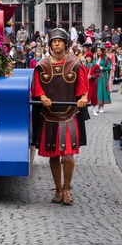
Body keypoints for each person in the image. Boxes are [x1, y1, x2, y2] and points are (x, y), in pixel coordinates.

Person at [31, 28, 88, 206]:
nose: (57, 44)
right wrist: (42, 97)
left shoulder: (76, 64)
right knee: (54, 156)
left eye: (60, 41)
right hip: (49, 116)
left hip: (69, 115)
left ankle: (67, 189)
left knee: (68, 156)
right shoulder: (42, 65)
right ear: (50, 45)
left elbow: (82, 87)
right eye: (54, 41)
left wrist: (83, 98)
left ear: (66, 44)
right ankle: (57, 190)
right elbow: (37, 87)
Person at [95, 45, 111, 113]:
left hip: (102, 76)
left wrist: (102, 68)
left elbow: (109, 68)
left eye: (99, 50)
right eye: (97, 51)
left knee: (102, 91)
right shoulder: (95, 59)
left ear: (102, 51)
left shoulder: (106, 59)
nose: (98, 52)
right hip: (96, 76)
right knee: (96, 91)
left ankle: (102, 106)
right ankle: (98, 106)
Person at [84, 51, 101, 117]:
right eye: (87, 57)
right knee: (86, 97)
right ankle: (86, 112)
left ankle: (94, 111)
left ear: (91, 58)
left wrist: (92, 76)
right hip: (86, 84)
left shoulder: (95, 66)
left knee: (94, 97)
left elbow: (98, 74)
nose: (88, 59)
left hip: (92, 83)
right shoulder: (84, 66)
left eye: (89, 57)